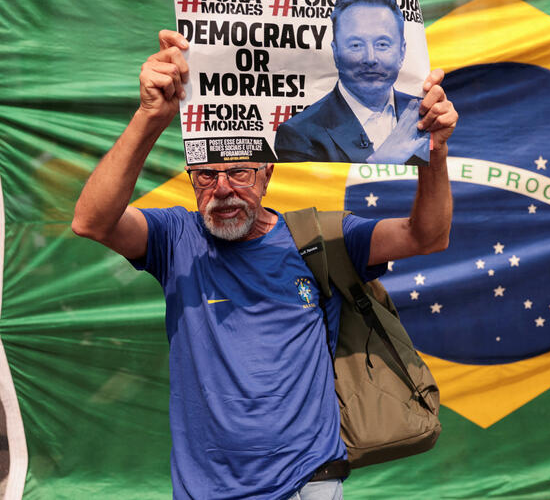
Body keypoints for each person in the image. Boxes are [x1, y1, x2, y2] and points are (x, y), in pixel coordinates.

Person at [71, 30, 457, 500]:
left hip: (309, 481)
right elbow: (91, 221)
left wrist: (433, 151)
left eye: (239, 172)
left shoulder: (322, 236)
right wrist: (151, 116)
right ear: (191, 178)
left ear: (267, 174)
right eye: (207, 176)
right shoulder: (175, 239)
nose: (223, 189)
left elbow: (427, 236)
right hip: (205, 489)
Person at [274, 0, 428, 165]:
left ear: (402, 52)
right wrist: (380, 163)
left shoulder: (425, 115)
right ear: (335, 52)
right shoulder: (298, 134)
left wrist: (439, 151)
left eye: (382, 44)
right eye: (356, 45)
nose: (370, 58)